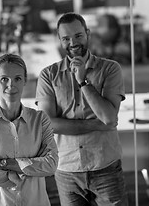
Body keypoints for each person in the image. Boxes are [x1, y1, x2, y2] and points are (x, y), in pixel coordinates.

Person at [35, 12, 128, 205]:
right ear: (59, 40)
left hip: (105, 165)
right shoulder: (48, 75)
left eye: (78, 36)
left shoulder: (110, 69)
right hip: (67, 168)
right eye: (66, 38)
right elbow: (48, 125)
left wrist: (83, 81)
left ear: (88, 34)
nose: (73, 43)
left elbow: (109, 118)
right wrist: (96, 124)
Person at [0, 53, 58, 206]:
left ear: (25, 81)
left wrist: (3, 164)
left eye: (17, 78)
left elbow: (51, 165)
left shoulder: (40, 120)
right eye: (4, 79)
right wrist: (31, 166)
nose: (11, 85)